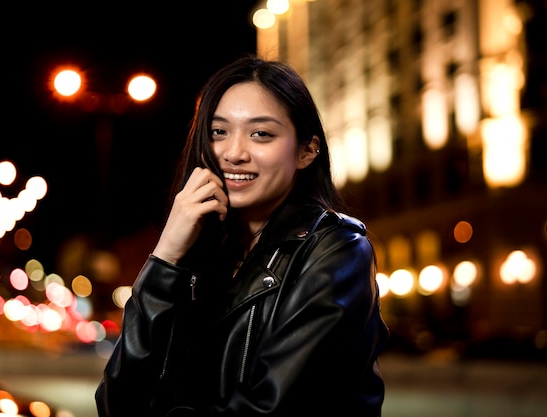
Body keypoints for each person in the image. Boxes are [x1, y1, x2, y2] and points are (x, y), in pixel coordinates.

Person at [95, 55, 389, 417]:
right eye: (219, 132)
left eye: (261, 134)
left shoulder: (337, 250)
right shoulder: (201, 254)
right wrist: (166, 255)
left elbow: (270, 408)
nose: (234, 153)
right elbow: (117, 403)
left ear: (306, 151)